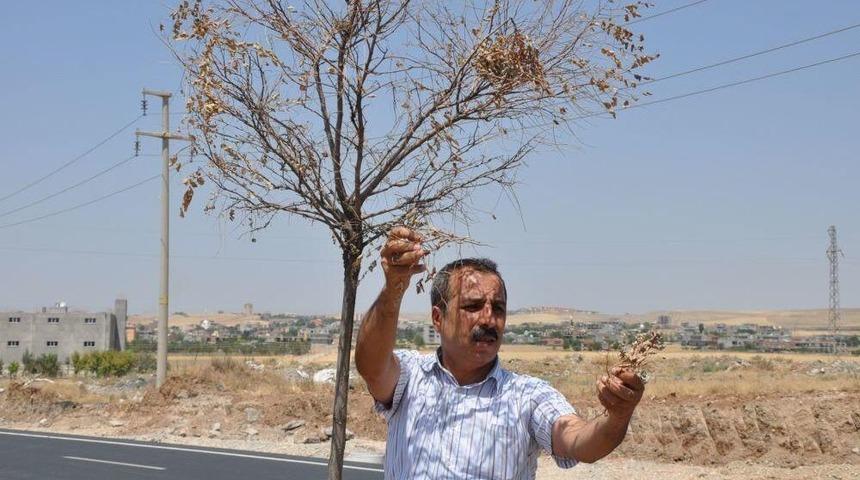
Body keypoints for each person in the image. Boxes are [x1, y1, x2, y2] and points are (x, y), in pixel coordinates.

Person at [355, 226, 645, 479]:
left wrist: (617, 416)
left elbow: (579, 440)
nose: (488, 319)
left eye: (498, 308)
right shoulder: (411, 377)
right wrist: (393, 289)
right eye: (472, 306)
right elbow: (371, 365)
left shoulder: (527, 396)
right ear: (437, 318)